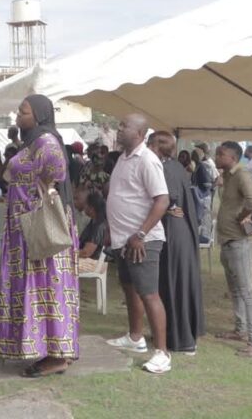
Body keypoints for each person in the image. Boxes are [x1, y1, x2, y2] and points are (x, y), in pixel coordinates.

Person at [0, 95, 78, 378]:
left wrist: (36, 190)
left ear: (39, 115)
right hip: (25, 229)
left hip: (39, 227)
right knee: (35, 286)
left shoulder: (46, 141)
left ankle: (56, 355)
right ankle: (43, 346)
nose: (18, 115)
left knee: (47, 286)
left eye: (24, 111)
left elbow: (57, 171)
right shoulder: (31, 142)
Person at [105, 114, 171, 374]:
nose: (119, 129)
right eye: (121, 124)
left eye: (124, 126)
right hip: (123, 239)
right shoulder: (123, 158)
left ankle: (162, 353)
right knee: (130, 288)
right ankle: (135, 337)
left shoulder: (147, 160)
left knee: (149, 293)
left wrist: (141, 234)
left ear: (141, 133)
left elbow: (162, 200)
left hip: (143, 240)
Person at [149, 132, 204, 355]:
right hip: (177, 229)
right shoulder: (175, 167)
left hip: (173, 231)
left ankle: (183, 339)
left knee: (175, 284)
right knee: (172, 284)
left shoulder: (166, 168)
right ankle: (174, 333)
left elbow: (168, 198)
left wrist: (166, 208)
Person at [214, 141, 252, 357]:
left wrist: (241, 217)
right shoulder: (229, 176)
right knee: (235, 290)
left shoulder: (242, 176)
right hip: (227, 241)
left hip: (238, 242)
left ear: (232, 158)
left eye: (221, 154)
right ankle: (240, 330)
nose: (217, 156)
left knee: (246, 292)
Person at [77, 191, 108, 273]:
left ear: (91, 208)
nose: (84, 207)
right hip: (89, 260)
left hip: (94, 263)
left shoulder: (99, 226)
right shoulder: (94, 222)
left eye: (86, 205)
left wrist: (69, 254)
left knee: (63, 263)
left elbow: (86, 252)